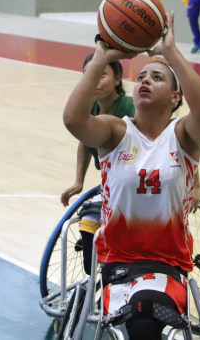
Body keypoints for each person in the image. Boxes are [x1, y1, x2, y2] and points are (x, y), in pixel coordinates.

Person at [62, 12, 200, 340]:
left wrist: (170, 52)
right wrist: (102, 56)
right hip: (118, 263)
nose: (144, 80)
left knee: (144, 318)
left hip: (168, 265)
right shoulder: (117, 131)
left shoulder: (184, 135)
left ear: (176, 97)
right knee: (140, 317)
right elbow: (74, 120)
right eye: (141, 76)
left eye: (157, 77)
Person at [61, 54, 135, 275]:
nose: (95, 81)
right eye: (89, 75)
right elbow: (84, 142)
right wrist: (78, 181)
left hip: (134, 187)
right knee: (88, 227)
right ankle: (95, 280)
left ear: (117, 79)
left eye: (102, 75)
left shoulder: (130, 107)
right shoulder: (90, 108)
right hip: (111, 186)